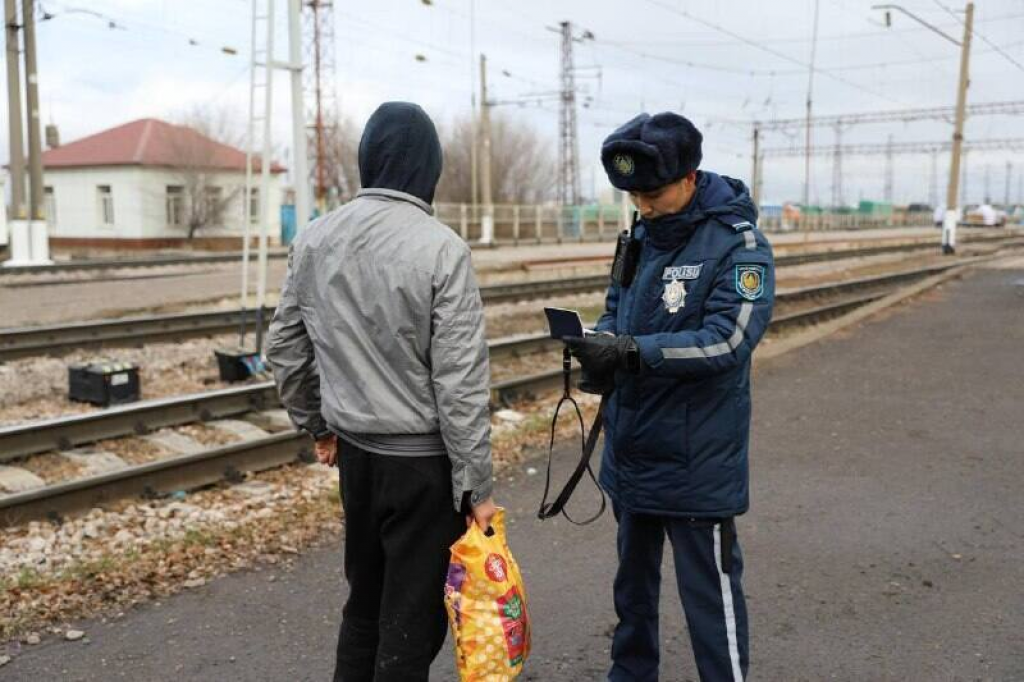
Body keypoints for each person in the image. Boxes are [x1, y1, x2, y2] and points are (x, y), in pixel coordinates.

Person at [265, 101, 496, 682]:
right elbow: (460, 383)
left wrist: (318, 426)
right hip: (423, 469)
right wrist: (476, 489)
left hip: (358, 462)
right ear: (429, 168)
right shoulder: (443, 250)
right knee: (410, 627)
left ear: (368, 158)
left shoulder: (315, 239)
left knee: (364, 607)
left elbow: (285, 349)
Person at [567, 112, 775, 682]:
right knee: (631, 592)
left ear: (689, 176)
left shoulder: (740, 245)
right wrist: (601, 348)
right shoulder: (637, 236)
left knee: (710, 598)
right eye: (632, 193)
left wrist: (634, 353)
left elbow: (729, 341)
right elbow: (617, 305)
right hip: (633, 450)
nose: (642, 205)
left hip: (695, 461)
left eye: (652, 192)